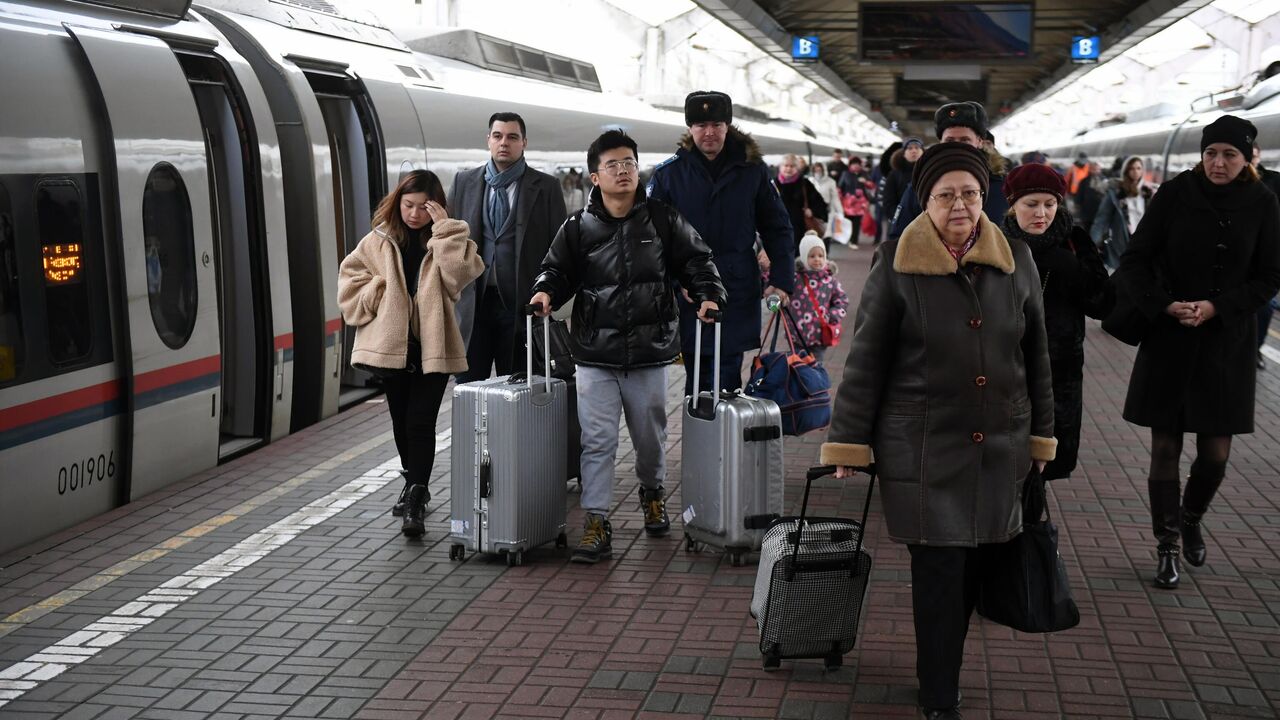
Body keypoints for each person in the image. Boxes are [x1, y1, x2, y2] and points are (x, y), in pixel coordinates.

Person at [821, 142, 1056, 720]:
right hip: (923, 445)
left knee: (975, 566)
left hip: (1000, 442)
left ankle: (941, 673)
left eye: (971, 193)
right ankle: (938, 689)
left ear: (986, 198)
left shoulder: (1016, 260)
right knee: (940, 571)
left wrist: (1042, 436)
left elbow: (1038, 357)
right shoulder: (897, 261)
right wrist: (849, 440)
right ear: (926, 201)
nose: (960, 205)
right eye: (946, 194)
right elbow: (866, 359)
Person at [529, 130, 725, 563]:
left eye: (630, 163)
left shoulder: (662, 219)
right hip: (594, 354)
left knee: (650, 438)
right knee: (597, 441)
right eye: (613, 164)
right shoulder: (578, 227)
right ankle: (597, 520)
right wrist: (545, 292)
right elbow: (554, 270)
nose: (623, 171)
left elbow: (697, 261)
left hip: (650, 351)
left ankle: (652, 492)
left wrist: (709, 292)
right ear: (594, 177)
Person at [1116, 115, 1280, 590]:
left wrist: (1217, 307)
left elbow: (1270, 276)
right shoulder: (1174, 194)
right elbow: (1135, 259)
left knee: (1215, 453)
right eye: (1210, 153)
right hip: (1170, 336)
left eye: (1229, 154)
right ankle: (1166, 545)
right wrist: (1163, 304)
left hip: (1225, 342)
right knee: (1165, 446)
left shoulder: (1264, 202)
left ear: (1247, 158)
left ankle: (1190, 516)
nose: (1218, 162)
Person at [337, 171, 484, 537]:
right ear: (397, 202)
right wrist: (376, 291)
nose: (415, 214)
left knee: (421, 423)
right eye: (408, 205)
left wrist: (445, 231)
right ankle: (412, 480)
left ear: (436, 207)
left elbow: (461, 276)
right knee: (401, 423)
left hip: (432, 347)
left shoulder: (447, 239)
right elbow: (349, 279)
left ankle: (416, 497)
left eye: (423, 206)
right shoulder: (378, 241)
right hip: (392, 350)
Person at [648, 90, 795, 396]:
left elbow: (777, 228)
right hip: (688, 293)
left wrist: (781, 281)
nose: (709, 132)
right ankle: (701, 440)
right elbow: (652, 238)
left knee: (728, 376)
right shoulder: (669, 175)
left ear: (728, 126)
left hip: (736, 287)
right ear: (690, 128)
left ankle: (725, 440)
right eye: (701, 125)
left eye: (716, 124)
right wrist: (676, 278)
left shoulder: (752, 172)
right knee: (696, 374)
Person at [1001, 163, 1112, 482]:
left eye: (1050, 204)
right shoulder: (993, 242)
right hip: (1004, 366)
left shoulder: (1074, 242)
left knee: (1046, 458)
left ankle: (1031, 523)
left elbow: (1103, 304)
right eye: (1031, 204)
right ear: (1013, 205)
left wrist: (1073, 271)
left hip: (1058, 369)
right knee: (1002, 455)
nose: (1042, 213)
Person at [450, 112, 568, 382]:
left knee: (517, 389)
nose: (504, 142)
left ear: (524, 142)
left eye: (512, 137)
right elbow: (449, 241)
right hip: (473, 305)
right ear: (488, 141)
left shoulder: (547, 187)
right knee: (469, 387)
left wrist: (549, 292)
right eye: (498, 136)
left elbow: (559, 249)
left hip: (521, 308)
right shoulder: (463, 183)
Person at [888, 102, 1009, 241]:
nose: (957, 146)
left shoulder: (1003, 187)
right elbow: (899, 238)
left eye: (965, 140)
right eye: (950, 140)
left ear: (980, 141)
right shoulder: (920, 187)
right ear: (941, 142)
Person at [789, 232, 848, 364]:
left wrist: (832, 315)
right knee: (798, 368)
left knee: (815, 367)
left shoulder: (830, 281)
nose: (817, 259)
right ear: (804, 257)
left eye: (821, 256)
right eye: (812, 256)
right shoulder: (795, 279)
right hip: (796, 336)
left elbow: (842, 301)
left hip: (819, 336)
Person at [1091, 156, 1154, 270]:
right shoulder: (1116, 193)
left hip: (1143, 243)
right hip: (1121, 242)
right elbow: (1102, 219)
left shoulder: (1149, 193)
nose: (1135, 172)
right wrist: (1090, 245)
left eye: (1138, 168)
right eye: (1132, 169)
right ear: (1126, 171)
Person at [1252, 143, 1280, 368]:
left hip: (1264, 256)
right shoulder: (1230, 182)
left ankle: (1255, 349)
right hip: (1235, 254)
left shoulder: (1273, 181)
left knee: (1265, 306)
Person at [777, 154, 830, 253]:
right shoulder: (773, 184)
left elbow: (820, 202)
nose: (788, 169)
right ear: (780, 167)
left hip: (800, 228)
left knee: (798, 256)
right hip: (778, 228)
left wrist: (812, 211)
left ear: (797, 168)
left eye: (792, 166)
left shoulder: (804, 184)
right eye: (786, 166)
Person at [880, 138, 922, 231]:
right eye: (909, 148)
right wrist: (898, 218)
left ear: (923, 152)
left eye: (917, 148)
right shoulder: (894, 175)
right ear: (904, 153)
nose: (914, 150)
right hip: (900, 224)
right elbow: (888, 201)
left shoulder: (929, 172)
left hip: (925, 224)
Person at [838, 156, 871, 249]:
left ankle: (854, 241)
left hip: (860, 203)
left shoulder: (864, 174)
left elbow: (872, 186)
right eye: (853, 164)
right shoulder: (845, 174)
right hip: (848, 203)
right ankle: (848, 238)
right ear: (850, 165)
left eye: (857, 164)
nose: (856, 166)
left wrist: (866, 182)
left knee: (857, 223)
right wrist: (840, 199)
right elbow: (840, 187)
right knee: (848, 222)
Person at [809, 161, 843, 246]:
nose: (818, 172)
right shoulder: (809, 181)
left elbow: (835, 198)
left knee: (827, 233)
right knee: (815, 232)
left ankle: (826, 255)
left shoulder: (831, 182)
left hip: (827, 210)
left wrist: (840, 211)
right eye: (816, 170)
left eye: (820, 170)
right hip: (813, 211)